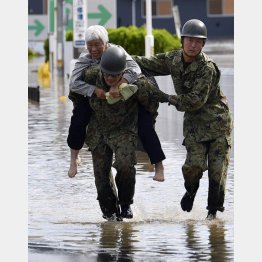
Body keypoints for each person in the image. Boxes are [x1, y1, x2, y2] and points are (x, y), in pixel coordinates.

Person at [133, 19, 233, 220]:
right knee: (192, 166)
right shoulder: (174, 59)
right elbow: (146, 63)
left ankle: (212, 215)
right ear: (182, 40)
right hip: (195, 126)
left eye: (198, 41)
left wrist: (166, 97)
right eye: (190, 40)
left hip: (218, 124)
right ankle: (191, 190)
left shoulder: (208, 68)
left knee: (216, 174)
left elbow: (195, 101)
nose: (193, 44)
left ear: (203, 44)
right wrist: (117, 56)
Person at [82, 46, 171, 221]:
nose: (110, 79)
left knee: (125, 165)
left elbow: (152, 104)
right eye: (107, 75)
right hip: (98, 131)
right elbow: (76, 94)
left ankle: (125, 204)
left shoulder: (137, 82)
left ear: (123, 72)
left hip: (124, 129)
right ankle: (110, 213)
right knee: (101, 176)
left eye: (115, 76)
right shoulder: (91, 76)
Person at [67, 25, 166, 182]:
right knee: (78, 118)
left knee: (145, 124)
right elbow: (73, 83)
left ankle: (159, 165)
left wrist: (120, 83)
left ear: (105, 43)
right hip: (96, 96)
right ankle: (74, 158)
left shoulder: (117, 52)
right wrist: (94, 90)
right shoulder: (85, 58)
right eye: (90, 44)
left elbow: (135, 68)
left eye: (97, 44)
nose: (93, 49)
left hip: (123, 95)